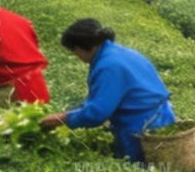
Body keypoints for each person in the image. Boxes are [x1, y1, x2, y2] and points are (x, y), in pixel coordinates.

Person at [39, 20, 175, 163]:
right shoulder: (120, 52)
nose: (77, 56)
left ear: (80, 48)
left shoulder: (108, 66)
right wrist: (73, 111)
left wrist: (61, 118)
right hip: (162, 116)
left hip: (143, 125)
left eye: (74, 51)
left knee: (140, 168)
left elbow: (96, 114)